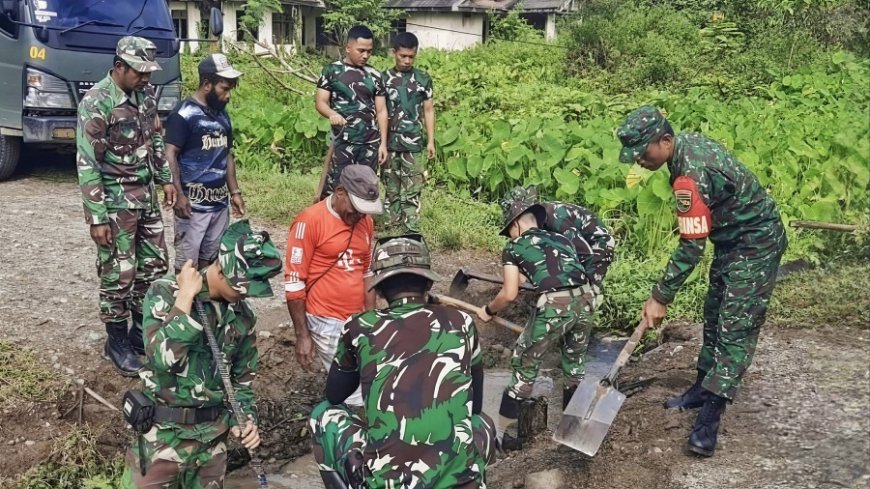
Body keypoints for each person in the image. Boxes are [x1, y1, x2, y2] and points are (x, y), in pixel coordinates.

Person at [616, 106, 788, 457]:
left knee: (734, 326)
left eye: (643, 153)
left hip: (756, 242)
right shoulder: (683, 148)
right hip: (731, 239)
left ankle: (709, 420)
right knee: (714, 312)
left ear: (665, 140)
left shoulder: (688, 178)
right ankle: (700, 388)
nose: (640, 162)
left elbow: (692, 245)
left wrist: (660, 296)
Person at [309, 234, 496, 489]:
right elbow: (475, 406)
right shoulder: (461, 322)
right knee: (482, 422)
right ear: (427, 284)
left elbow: (334, 394)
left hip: (388, 483)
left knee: (323, 414)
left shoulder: (360, 327)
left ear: (381, 289)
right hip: (459, 482)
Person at [120, 219, 282, 487]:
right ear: (220, 270)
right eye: (240, 288)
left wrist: (246, 420)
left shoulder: (242, 317)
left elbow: (241, 383)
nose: (243, 296)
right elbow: (162, 360)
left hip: (211, 444)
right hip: (161, 440)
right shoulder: (166, 292)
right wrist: (185, 298)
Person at [76, 36, 176, 376]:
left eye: (149, 72)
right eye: (139, 72)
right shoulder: (97, 101)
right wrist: (97, 218)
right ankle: (115, 340)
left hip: (145, 199)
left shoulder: (145, 96)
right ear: (119, 66)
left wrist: (166, 180)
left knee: (154, 267)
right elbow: (88, 162)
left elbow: (155, 139)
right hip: (115, 204)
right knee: (119, 273)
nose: (146, 78)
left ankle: (138, 334)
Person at [477, 201, 596, 450]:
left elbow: (509, 294)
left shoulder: (515, 246)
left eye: (508, 229)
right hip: (587, 299)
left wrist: (488, 310)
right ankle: (573, 434)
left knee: (523, 366)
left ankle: (506, 439)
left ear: (516, 224)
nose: (509, 235)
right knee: (574, 368)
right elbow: (555, 271)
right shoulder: (561, 240)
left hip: (555, 303)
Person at [284, 165, 383, 407]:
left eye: (364, 211)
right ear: (340, 192)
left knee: (373, 374)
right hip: (325, 318)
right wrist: (302, 336)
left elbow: (367, 272)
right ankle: (350, 435)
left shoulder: (365, 222)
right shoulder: (309, 221)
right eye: (355, 209)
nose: (359, 216)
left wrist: (370, 320)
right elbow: (294, 283)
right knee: (357, 391)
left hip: (357, 319)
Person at [165, 53, 244, 272]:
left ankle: (206, 306)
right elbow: (170, 153)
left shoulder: (222, 115)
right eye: (224, 89)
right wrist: (179, 195)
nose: (228, 96)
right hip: (193, 207)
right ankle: (184, 305)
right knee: (187, 266)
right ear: (207, 84)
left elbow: (226, 154)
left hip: (219, 205)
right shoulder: (183, 115)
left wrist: (235, 192)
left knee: (212, 263)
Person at [314, 24, 388, 199]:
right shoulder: (331, 71)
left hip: (369, 142)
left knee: (365, 186)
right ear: (348, 48)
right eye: (361, 50)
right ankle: (331, 222)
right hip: (343, 141)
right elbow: (320, 103)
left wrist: (383, 144)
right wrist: (332, 114)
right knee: (336, 185)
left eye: (369, 51)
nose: (365, 55)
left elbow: (382, 111)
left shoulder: (375, 76)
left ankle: (360, 222)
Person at [502, 185, 614, 297]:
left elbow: (583, 252)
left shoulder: (556, 219)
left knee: (586, 288)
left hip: (597, 242)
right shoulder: (535, 219)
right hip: (579, 242)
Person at [381, 32, 436, 232]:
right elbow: (380, 111)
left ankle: (411, 228)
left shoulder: (423, 79)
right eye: (402, 56)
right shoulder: (383, 78)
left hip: (413, 144)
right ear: (394, 52)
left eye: (411, 57)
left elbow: (428, 110)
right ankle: (390, 226)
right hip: (389, 143)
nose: (406, 60)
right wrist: (381, 143)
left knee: (413, 188)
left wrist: (430, 141)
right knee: (391, 188)